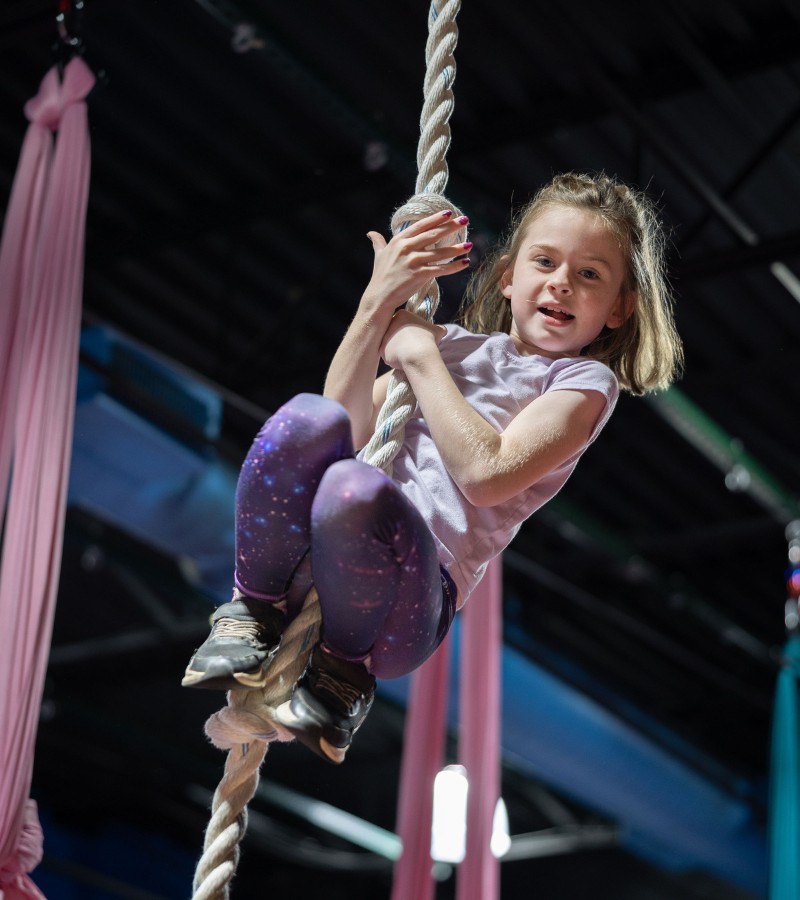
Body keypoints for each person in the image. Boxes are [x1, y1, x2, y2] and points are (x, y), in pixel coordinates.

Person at [182, 171, 683, 764]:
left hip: (403, 609)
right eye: (545, 262)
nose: (562, 283)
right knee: (304, 420)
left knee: (353, 486)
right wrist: (377, 304)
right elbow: (344, 423)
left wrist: (419, 357)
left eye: (589, 274)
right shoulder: (448, 344)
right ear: (508, 275)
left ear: (620, 308)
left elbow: (487, 474)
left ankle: (342, 675)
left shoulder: (581, 381)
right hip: (318, 553)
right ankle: (253, 608)